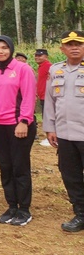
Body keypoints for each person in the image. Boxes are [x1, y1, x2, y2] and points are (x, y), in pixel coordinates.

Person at [0, 35, 37, 226]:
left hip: (18, 126)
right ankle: (12, 205)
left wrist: (23, 121)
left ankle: (24, 209)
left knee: (19, 167)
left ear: (11, 49)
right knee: (5, 167)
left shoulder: (23, 69)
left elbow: (29, 97)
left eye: (4, 47)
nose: (0, 51)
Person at [43, 31, 84, 232]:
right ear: (62, 49)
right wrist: (50, 128)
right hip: (65, 135)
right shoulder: (56, 70)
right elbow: (50, 101)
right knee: (71, 176)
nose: (74, 47)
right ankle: (80, 214)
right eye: (70, 44)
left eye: (79, 44)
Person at [35, 48, 51, 119]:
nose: (37, 57)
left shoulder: (49, 66)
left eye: (40, 56)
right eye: (36, 55)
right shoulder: (41, 67)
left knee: (48, 118)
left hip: (47, 97)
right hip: (42, 97)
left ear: (46, 57)